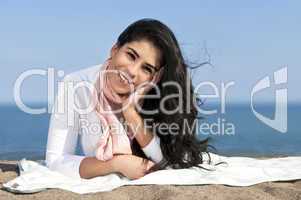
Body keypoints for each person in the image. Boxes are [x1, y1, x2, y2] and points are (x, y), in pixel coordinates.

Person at [45, 18, 213, 180]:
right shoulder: (76, 85)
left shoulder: (155, 96)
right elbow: (55, 160)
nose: (132, 71)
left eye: (146, 68)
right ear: (114, 50)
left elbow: (172, 163)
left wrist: (131, 113)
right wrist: (117, 164)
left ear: (156, 77)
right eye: (131, 55)